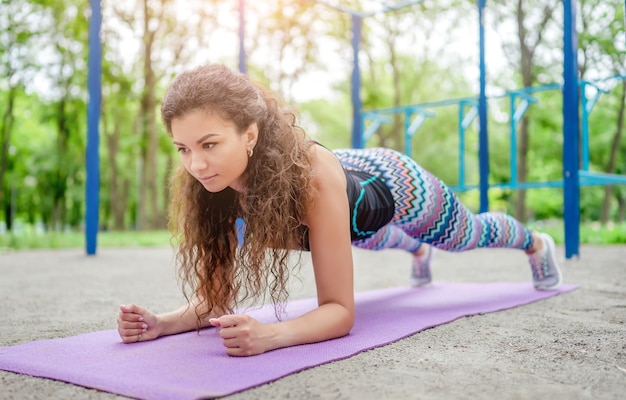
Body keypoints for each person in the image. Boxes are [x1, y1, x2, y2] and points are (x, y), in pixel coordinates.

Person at [117, 64, 562, 357]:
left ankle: (535, 242)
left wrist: (272, 334)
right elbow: (212, 301)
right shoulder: (208, 189)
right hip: (350, 223)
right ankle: (414, 250)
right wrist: (161, 323)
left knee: (466, 236)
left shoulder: (312, 177)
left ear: (249, 134)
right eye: (183, 149)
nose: (195, 164)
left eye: (210, 144)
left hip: (394, 187)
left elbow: (340, 311)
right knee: (365, 236)